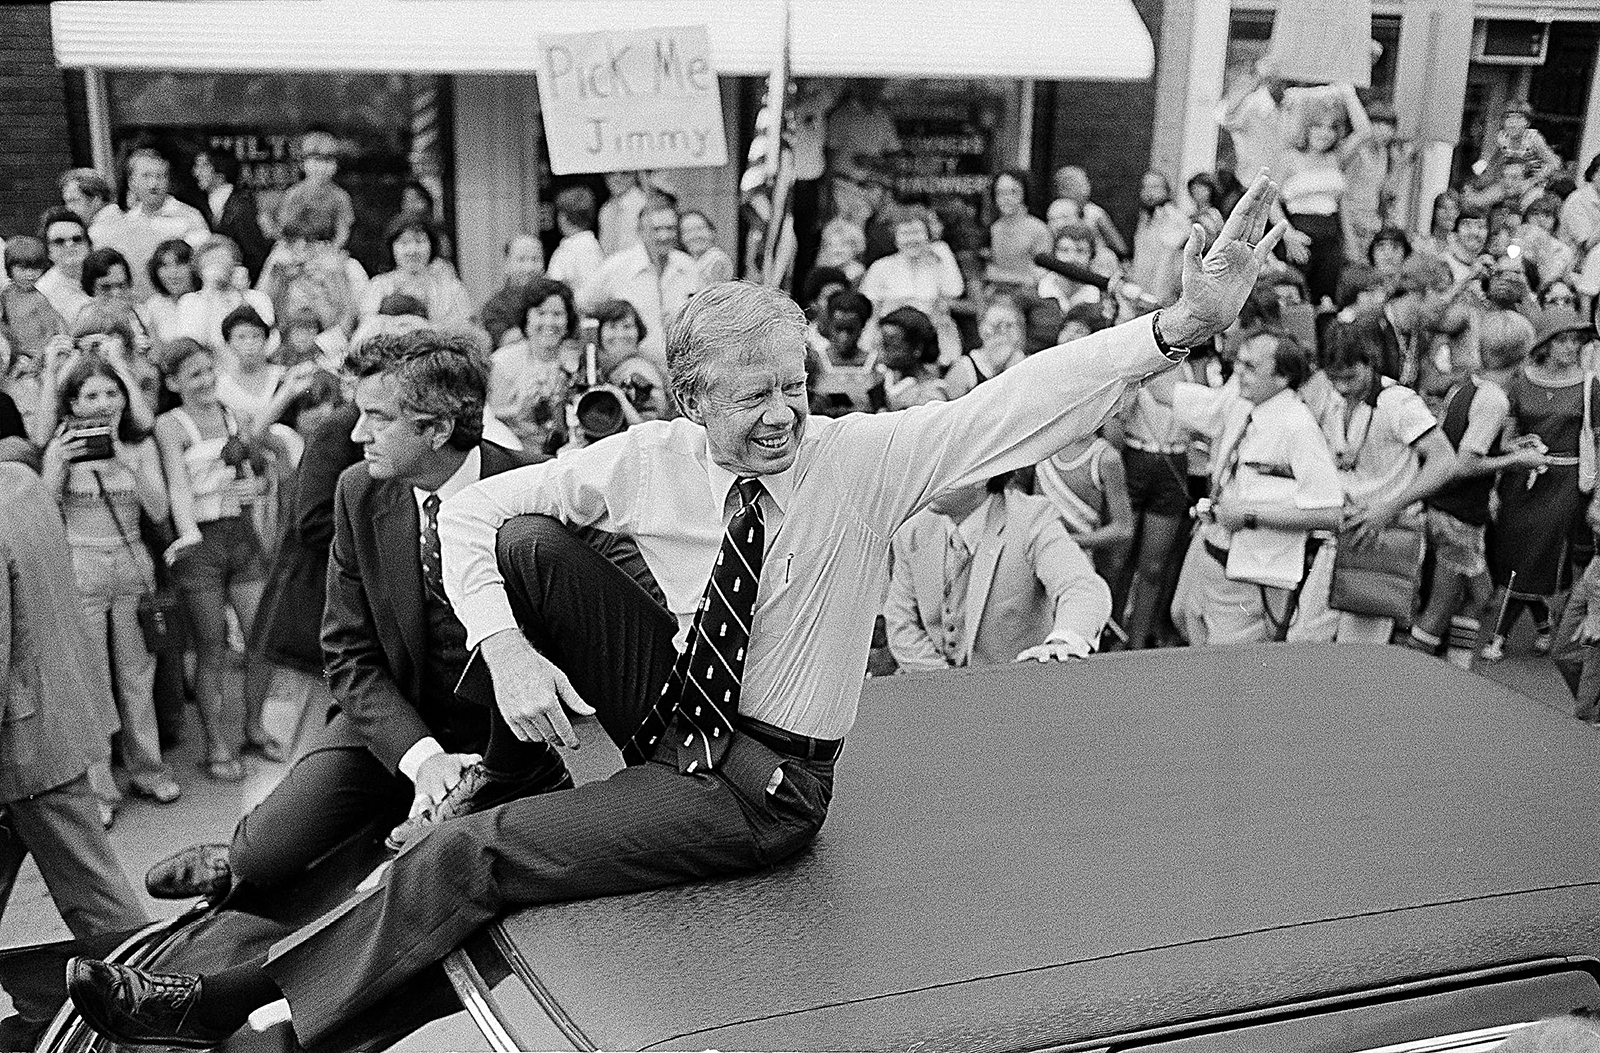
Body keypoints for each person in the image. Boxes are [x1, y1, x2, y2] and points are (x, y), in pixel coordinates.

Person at [65, 175, 1290, 1053]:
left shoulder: (863, 458)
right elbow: (476, 523)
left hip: (754, 788)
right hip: (668, 713)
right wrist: (503, 650)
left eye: (796, 389)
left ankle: (235, 1010)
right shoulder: (646, 457)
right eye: (751, 398)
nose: (780, 419)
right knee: (535, 533)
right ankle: (497, 765)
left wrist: (1175, 327)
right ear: (687, 398)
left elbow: (1025, 394)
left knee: (472, 856)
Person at [143, 330, 556, 902]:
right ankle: (237, 859)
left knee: (419, 885)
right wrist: (423, 759)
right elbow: (347, 654)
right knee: (266, 856)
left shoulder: (536, 486)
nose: (356, 434)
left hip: (510, 739)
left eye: (377, 418)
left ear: (436, 431)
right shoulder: (358, 490)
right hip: (392, 718)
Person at [0, 461, 148, 942]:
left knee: (104, 909)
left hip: (26, 745)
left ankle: (167, 1001)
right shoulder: (21, 482)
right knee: (98, 898)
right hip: (57, 716)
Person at [40, 354, 181, 805]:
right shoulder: (61, 448)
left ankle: (149, 770)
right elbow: (40, 516)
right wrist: (56, 466)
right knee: (92, 682)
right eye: (92, 395)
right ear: (73, 405)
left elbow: (160, 511)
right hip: (81, 568)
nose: (104, 403)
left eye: (112, 392)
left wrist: (125, 461)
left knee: (138, 675)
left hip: (132, 565)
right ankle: (99, 787)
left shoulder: (137, 448)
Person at [1170, 330, 1343, 646]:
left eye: (1251, 367)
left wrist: (1250, 516)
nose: (1239, 372)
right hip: (1210, 551)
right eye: (1239, 363)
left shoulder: (1298, 427)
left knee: (1226, 671)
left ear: (1282, 377)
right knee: (1183, 617)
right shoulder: (1242, 403)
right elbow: (1176, 397)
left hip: (1251, 575)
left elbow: (1331, 513)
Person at [1293, 313, 1457, 644]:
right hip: (1340, 531)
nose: (1342, 387)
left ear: (1370, 363)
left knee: (1361, 650)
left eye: (1351, 377)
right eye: (1334, 377)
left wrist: (1390, 506)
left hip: (1384, 534)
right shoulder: (1331, 397)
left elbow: (1444, 460)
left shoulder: (1398, 401)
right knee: (1304, 638)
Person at [153, 337, 273, 782]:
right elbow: (177, 487)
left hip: (239, 535)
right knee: (212, 648)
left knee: (263, 636)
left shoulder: (229, 413)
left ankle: (254, 725)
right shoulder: (170, 424)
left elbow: (252, 474)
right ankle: (216, 745)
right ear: (173, 382)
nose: (205, 381)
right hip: (199, 543)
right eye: (194, 374)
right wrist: (187, 531)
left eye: (208, 370)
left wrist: (254, 489)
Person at [1410, 310, 1544, 666]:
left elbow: (1460, 444)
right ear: (1522, 355)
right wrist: (1517, 461)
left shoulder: (1466, 387)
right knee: (1438, 612)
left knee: (1478, 596)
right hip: (1457, 515)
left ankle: (1459, 671)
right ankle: (1407, 684)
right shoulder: (1495, 400)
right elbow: (1465, 462)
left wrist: (1509, 448)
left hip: (1454, 511)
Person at [884, 472, 1111, 670]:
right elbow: (901, 621)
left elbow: (1083, 588)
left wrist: (1062, 643)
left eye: (942, 467)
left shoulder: (1032, 518)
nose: (927, 478)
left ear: (980, 475)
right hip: (931, 691)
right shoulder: (912, 529)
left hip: (1013, 694)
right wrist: (944, 683)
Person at [1484, 307, 1600, 661]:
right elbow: (1504, 437)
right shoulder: (1520, 380)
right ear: (1545, 344)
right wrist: (1520, 450)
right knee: (1516, 552)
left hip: (1564, 483)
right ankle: (1545, 625)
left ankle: (1499, 634)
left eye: (1575, 340)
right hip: (1521, 481)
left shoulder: (1590, 385)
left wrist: (1597, 497)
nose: (1570, 347)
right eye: (1562, 340)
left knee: (1543, 554)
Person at [1274, 86, 1371, 307]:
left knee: (1326, 302)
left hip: (1331, 238)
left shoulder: (1337, 157)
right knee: (1295, 303)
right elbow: (1271, 201)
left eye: (1331, 128)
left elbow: (1364, 132)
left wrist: (1348, 93)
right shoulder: (1290, 158)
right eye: (1318, 126)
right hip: (1299, 234)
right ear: (1307, 128)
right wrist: (1288, 234)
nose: (1324, 133)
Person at [579, 195, 702, 367]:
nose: (664, 235)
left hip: (680, 371)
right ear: (640, 231)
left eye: (670, 228)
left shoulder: (688, 266)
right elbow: (583, 304)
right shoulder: (617, 266)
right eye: (656, 229)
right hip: (630, 374)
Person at [90, 148, 209, 301]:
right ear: (131, 182)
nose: (153, 184)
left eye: (160, 177)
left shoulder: (189, 218)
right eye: (146, 176)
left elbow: (203, 266)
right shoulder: (124, 221)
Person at [860, 205, 966, 367]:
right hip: (891, 345)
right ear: (895, 238)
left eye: (917, 232)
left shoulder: (938, 263)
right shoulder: (881, 267)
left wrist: (942, 250)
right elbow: (870, 315)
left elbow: (955, 290)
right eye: (905, 234)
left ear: (928, 235)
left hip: (931, 344)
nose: (911, 240)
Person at [1032, 429, 1134, 591]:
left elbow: (1123, 528)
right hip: (1036, 558)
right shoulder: (1045, 442)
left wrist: (1070, 540)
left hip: (1075, 565)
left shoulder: (1106, 458)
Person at [488, 277, 580, 454]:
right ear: (526, 319)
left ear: (568, 321)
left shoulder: (578, 360)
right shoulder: (503, 361)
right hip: (517, 454)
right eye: (541, 313)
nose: (549, 322)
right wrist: (519, 410)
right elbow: (490, 418)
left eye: (557, 314)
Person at [358, 215, 472, 326]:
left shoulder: (451, 288)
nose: (412, 251)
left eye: (419, 241)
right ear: (391, 247)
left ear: (431, 245)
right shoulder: (378, 286)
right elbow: (367, 329)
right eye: (404, 243)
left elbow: (464, 329)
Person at [177, 235, 276, 361]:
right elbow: (194, 341)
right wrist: (209, 292)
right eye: (210, 261)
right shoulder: (190, 302)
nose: (218, 267)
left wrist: (241, 296)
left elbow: (268, 339)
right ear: (199, 269)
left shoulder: (256, 298)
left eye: (222, 259)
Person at [193, 147, 270, 284]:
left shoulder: (242, 207)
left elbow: (255, 254)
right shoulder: (208, 207)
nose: (196, 172)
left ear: (220, 169)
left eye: (203, 165)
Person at [589, 298, 671, 421]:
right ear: (599, 332)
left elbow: (650, 428)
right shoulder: (597, 369)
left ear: (638, 331)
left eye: (627, 326)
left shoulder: (639, 369)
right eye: (612, 327)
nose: (620, 334)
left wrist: (618, 397)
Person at [277, 131, 355, 249]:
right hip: (295, 248)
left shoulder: (340, 197)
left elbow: (342, 232)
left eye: (328, 161)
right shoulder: (294, 194)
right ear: (303, 164)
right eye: (316, 161)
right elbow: (283, 228)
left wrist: (331, 249)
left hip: (326, 249)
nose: (322, 167)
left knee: (353, 266)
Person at [1128, 171, 1193, 307]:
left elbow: (1168, 262)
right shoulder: (1145, 219)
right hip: (1140, 298)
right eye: (1145, 187)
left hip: (1162, 302)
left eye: (1155, 187)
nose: (1149, 192)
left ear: (1167, 191)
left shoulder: (1176, 219)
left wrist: (1157, 301)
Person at [944, 295, 1026, 399]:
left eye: (1009, 326)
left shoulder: (1023, 363)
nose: (1002, 332)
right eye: (995, 326)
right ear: (981, 329)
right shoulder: (965, 369)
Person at [985, 169, 1052, 292]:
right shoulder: (993, 229)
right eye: (1000, 193)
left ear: (1024, 193)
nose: (1006, 198)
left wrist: (1003, 277)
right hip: (997, 294)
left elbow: (1042, 274)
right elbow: (987, 270)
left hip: (1029, 296)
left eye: (1013, 192)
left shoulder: (1038, 228)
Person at [476, 234, 546, 349]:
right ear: (507, 265)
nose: (529, 268)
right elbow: (507, 341)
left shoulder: (556, 298)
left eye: (535, 259)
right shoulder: (495, 307)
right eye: (521, 259)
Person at [0, 236, 67, 356]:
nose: (30, 275)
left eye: (36, 268)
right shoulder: (6, 294)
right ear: (9, 268)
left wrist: (38, 358)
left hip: (39, 354)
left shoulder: (41, 298)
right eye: (23, 268)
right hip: (15, 353)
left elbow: (50, 334)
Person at [875, 305, 946, 410]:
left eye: (891, 346)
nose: (882, 352)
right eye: (882, 344)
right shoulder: (883, 380)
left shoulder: (932, 394)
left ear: (917, 348)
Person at [1050, 165, 1129, 260]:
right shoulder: (1057, 209)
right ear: (1063, 190)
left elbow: (1119, 246)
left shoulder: (1094, 211)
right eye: (1079, 185)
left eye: (1086, 183)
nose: (1086, 188)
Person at [35, 206, 92, 326]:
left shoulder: (103, 274)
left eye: (77, 239)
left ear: (89, 245)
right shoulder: (42, 293)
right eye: (59, 241)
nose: (70, 245)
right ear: (48, 252)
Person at [143, 237, 198, 345]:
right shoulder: (154, 305)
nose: (173, 273)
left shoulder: (204, 299)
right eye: (165, 266)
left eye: (180, 264)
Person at [597, 171, 647, 258]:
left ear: (635, 174)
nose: (617, 178)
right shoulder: (606, 209)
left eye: (625, 173)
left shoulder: (643, 204)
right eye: (611, 173)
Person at [679, 209, 735, 286]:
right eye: (688, 231)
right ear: (681, 238)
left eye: (700, 228)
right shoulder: (684, 260)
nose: (695, 235)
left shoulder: (716, 259)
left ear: (712, 232)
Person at [59, 167, 121, 232]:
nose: (68, 209)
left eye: (73, 201)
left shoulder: (100, 231)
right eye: (66, 202)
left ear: (96, 199)